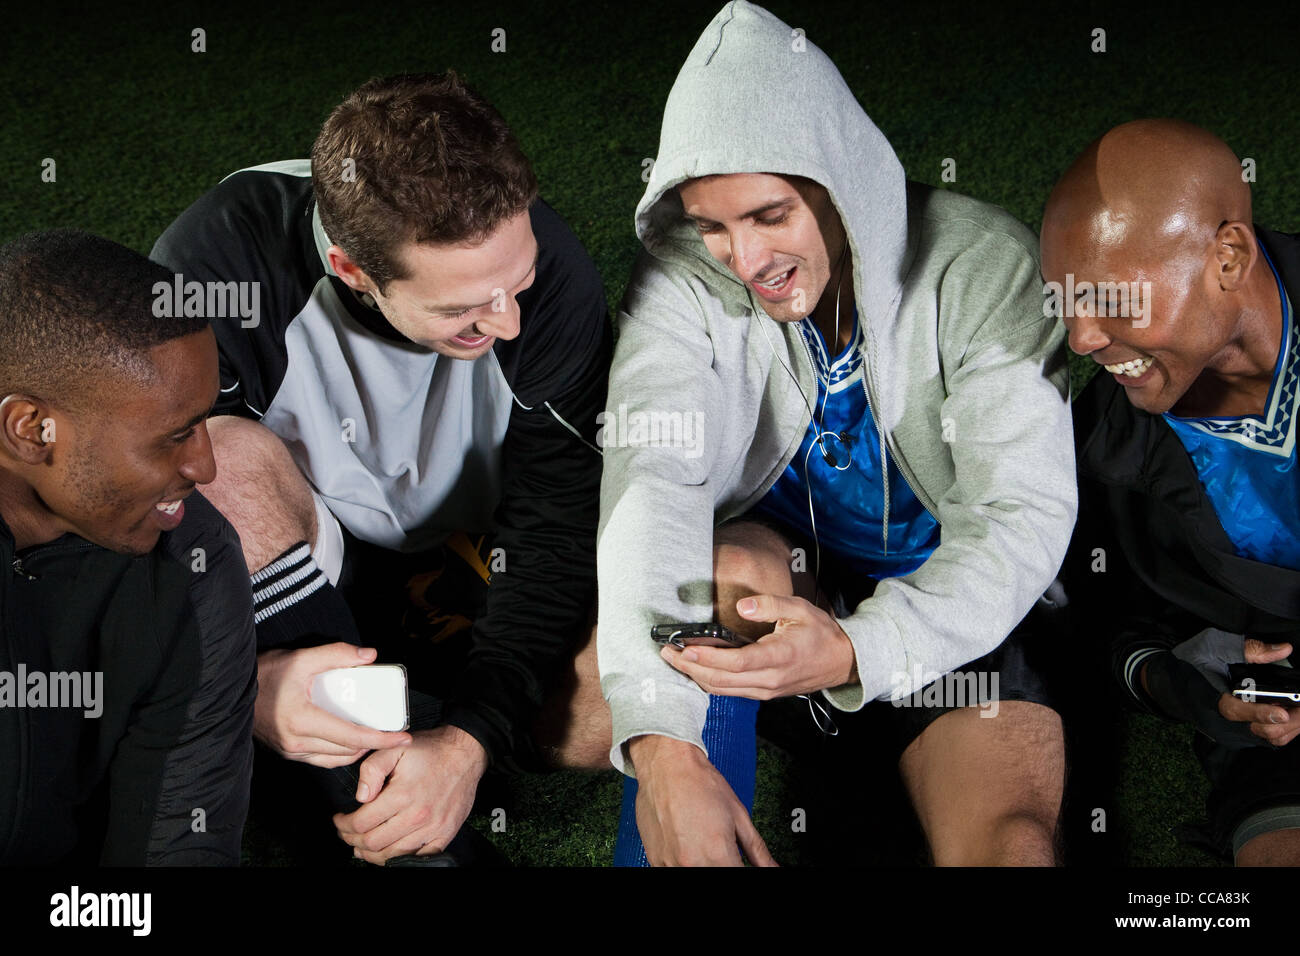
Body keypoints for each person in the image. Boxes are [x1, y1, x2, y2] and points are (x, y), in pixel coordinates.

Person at [597, 0, 1076, 866]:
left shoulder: (985, 268)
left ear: (841, 182)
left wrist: (863, 646)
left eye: (770, 215)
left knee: (1012, 847)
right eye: (713, 225)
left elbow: (1019, 515)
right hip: (777, 601)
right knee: (700, 605)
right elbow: (652, 479)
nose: (744, 262)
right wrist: (662, 751)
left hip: (949, 625)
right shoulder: (679, 279)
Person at [150, 70, 612, 864]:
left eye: (517, 280)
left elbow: (556, 522)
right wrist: (251, 677)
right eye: (464, 307)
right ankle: (386, 811)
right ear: (353, 268)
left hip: (485, 555)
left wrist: (469, 739)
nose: (508, 318)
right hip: (312, 572)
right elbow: (145, 502)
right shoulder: (223, 259)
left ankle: (407, 738)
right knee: (215, 460)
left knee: (617, 703)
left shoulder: (547, 277)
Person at [1044, 118, 1300, 866]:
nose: (1083, 338)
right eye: (1066, 302)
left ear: (1228, 256)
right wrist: (1198, 694)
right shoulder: (1100, 448)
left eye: (1108, 298)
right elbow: (1115, 633)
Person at [0, 229, 256, 865]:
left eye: (204, 421)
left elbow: (179, 840)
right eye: (174, 436)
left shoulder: (194, 562)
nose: (206, 467)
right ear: (33, 431)